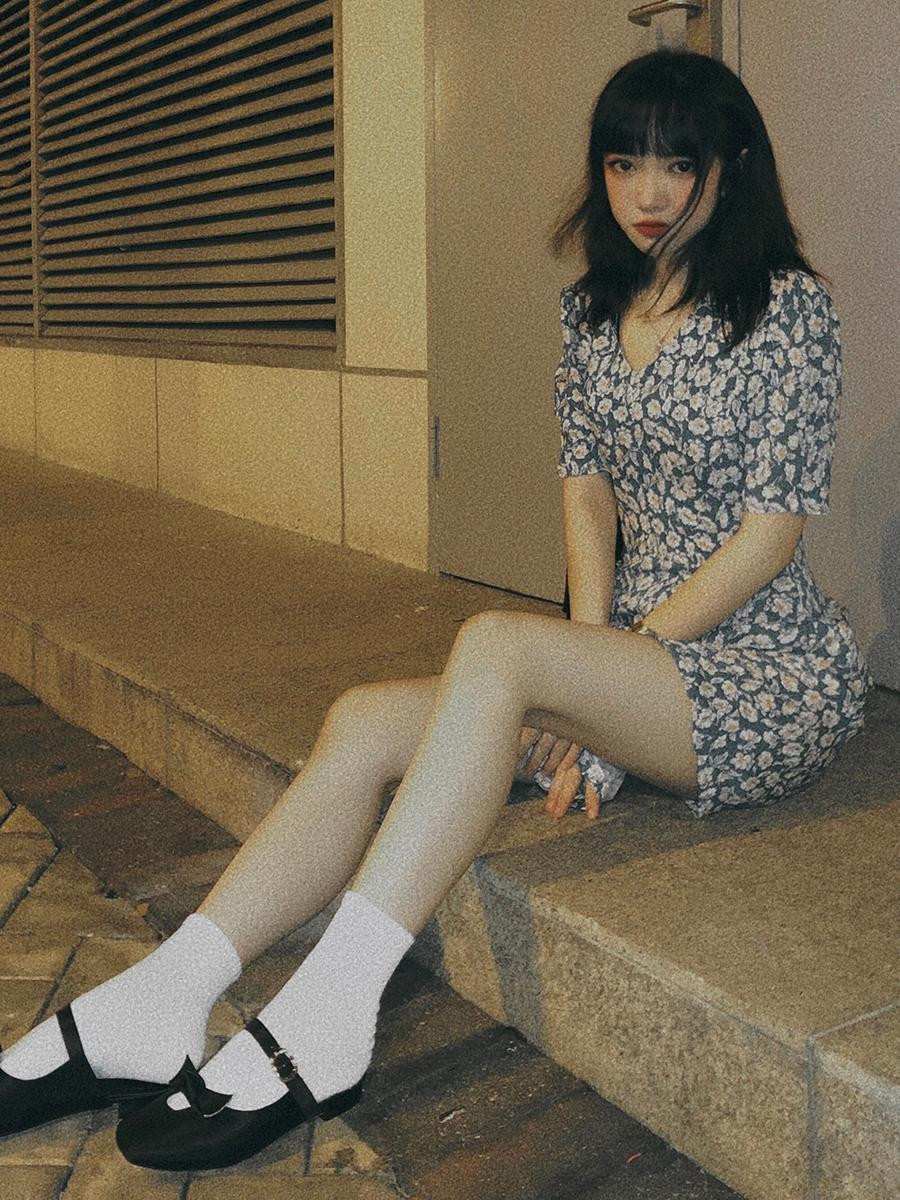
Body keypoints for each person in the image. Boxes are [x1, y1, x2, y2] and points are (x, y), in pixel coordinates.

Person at [0, 47, 872, 1172]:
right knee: (365, 717)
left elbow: (769, 538)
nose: (649, 193)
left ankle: (331, 1015)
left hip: (759, 674)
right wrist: (582, 676)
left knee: (496, 647)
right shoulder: (595, 309)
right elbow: (588, 494)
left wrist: (587, 677)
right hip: (628, 658)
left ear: (733, 166)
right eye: (624, 164)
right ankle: (165, 995)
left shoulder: (786, 310)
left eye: (678, 165)